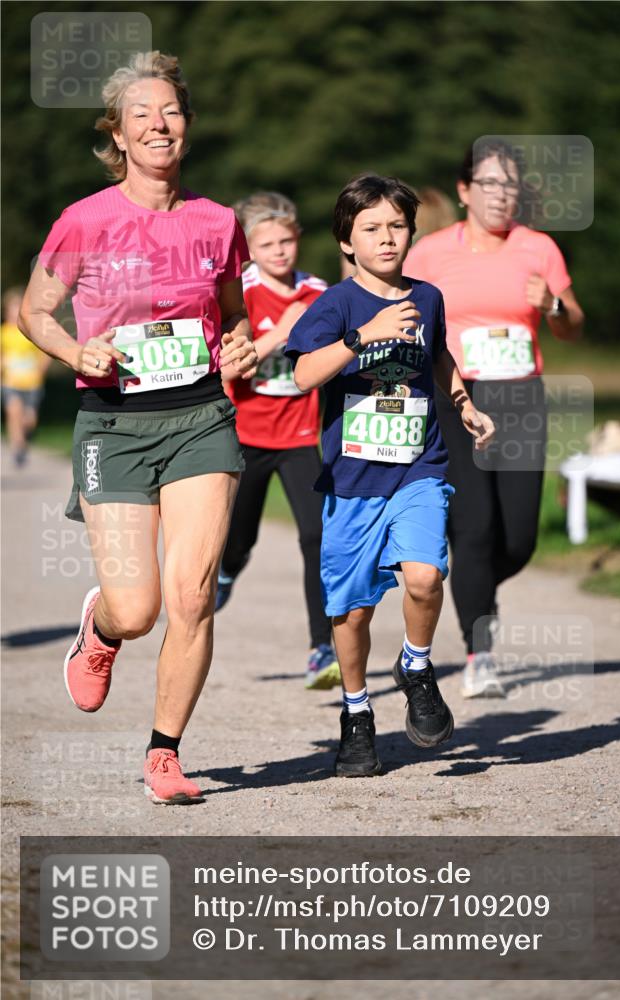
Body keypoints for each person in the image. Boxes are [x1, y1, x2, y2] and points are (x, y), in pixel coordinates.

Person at [18, 51, 258, 804]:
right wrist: (74, 348)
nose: (160, 125)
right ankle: (103, 629)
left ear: (187, 126)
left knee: (192, 597)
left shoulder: (218, 222)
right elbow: (33, 311)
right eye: (142, 116)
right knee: (140, 608)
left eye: (172, 113)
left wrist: (244, 340)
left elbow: (235, 308)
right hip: (114, 424)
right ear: (117, 135)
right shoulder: (84, 220)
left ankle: (164, 754)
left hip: (199, 419)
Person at [285, 174, 494, 776]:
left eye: (397, 226)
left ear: (412, 232)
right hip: (351, 481)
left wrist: (464, 405)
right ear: (347, 241)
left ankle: (417, 664)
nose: (386, 238)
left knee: (426, 577)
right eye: (371, 228)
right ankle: (356, 714)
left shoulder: (427, 298)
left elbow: (438, 359)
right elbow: (303, 376)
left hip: (417, 468)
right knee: (351, 614)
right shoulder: (334, 305)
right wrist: (362, 337)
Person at [406, 139, 584, 698]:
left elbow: (573, 324)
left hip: (522, 397)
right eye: (489, 183)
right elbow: (398, 306)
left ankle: (477, 589)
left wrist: (553, 305)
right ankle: (479, 652)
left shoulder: (539, 249)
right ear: (464, 191)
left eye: (510, 185)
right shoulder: (430, 253)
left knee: (521, 537)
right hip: (460, 394)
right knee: (474, 526)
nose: (500, 195)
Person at [219, 191, 341, 689]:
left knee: (318, 535)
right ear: (249, 248)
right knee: (240, 535)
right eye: (266, 243)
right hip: (246, 433)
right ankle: (227, 571)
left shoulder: (319, 291)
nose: (279, 251)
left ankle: (321, 646)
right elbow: (231, 367)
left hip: (299, 435)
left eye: (286, 240)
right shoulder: (239, 293)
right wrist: (282, 333)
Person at [1, 286, 50, 466]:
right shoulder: (3, 333)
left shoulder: (30, 331)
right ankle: (17, 447)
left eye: (18, 308)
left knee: (29, 419)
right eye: (11, 309)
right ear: (6, 312)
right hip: (11, 382)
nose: (14, 313)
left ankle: (26, 436)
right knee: (13, 412)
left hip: (32, 383)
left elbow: (44, 354)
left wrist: (40, 369)